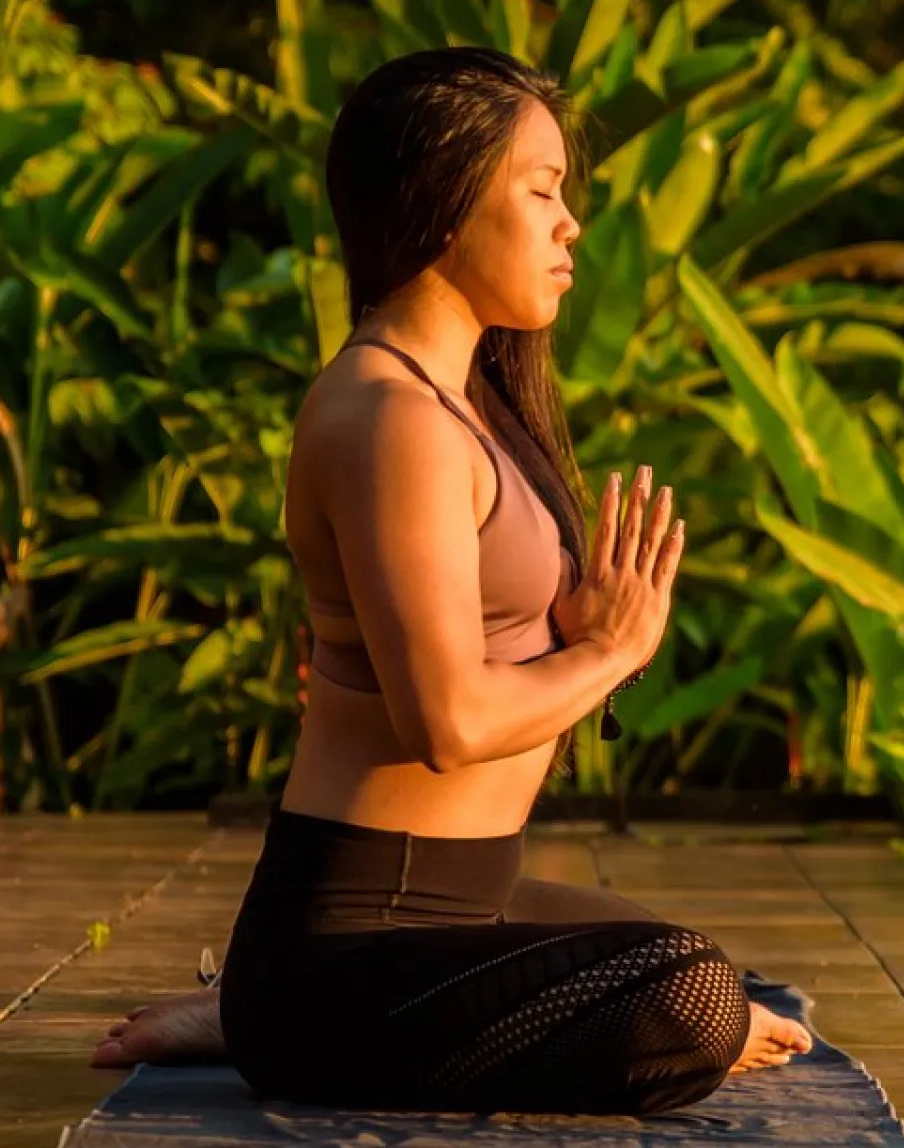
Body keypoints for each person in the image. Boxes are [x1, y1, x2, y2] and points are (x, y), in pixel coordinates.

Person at [91, 45, 811, 1115]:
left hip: (451, 899)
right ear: (439, 199)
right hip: (348, 937)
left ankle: (240, 1007)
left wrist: (569, 623)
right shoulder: (391, 419)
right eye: (541, 190)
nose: (569, 223)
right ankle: (262, 1009)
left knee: (698, 966)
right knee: (689, 994)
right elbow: (448, 719)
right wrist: (610, 649)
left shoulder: (460, 400)